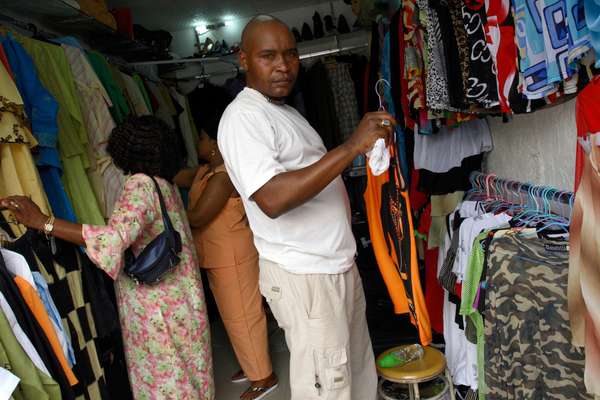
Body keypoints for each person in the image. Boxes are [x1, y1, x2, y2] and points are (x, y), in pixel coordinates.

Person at [218, 15, 395, 400]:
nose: (283, 65)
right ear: (243, 59)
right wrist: (352, 146)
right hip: (305, 275)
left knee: (357, 377)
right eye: (268, 56)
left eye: (291, 54)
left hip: (334, 266)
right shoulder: (243, 118)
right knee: (326, 388)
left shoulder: (286, 111)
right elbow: (273, 198)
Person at [1, 116, 214, 399]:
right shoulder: (165, 183)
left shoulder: (140, 184)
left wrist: (44, 222)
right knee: (189, 370)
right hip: (183, 295)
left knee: (167, 377)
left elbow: (114, 239)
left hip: (156, 304)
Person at [175, 85, 278, 400]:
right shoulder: (207, 171)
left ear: (216, 144)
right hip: (218, 256)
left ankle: (264, 377)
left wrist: (168, 208)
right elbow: (182, 176)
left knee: (243, 316)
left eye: (202, 138)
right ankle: (251, 366)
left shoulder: (223, 177)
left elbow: (199, 217)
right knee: (233, 317)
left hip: (233, 256)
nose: (198, 142)